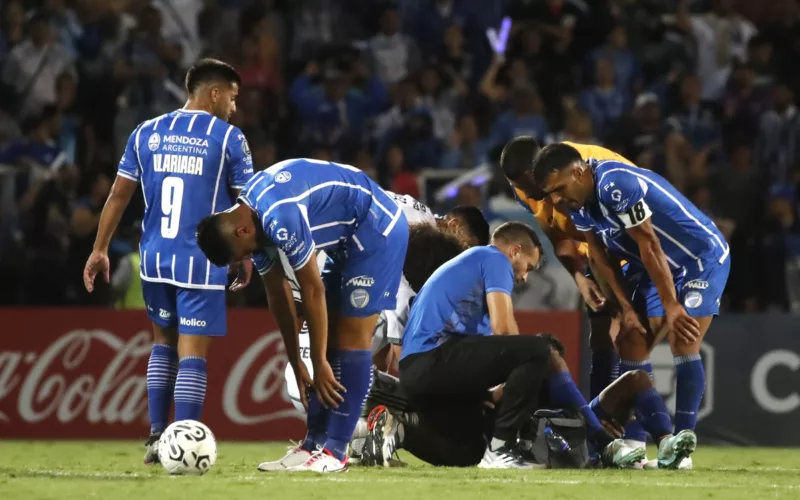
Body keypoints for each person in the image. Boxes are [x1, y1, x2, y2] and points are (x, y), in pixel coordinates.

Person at [82, 59, 253, 465]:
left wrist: (100, 248)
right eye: (231, 97)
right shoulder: (229, 138)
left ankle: (157, 437)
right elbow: (248, 205)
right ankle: (185, 444)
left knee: (162, 346)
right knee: (192, 353)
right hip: (201, 260)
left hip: (154, 259)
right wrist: (246, 254)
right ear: (214, 93)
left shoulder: (147, 132)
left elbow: (118, 195)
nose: (233, 107)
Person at [195, 159, 409, 473]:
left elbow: (312, 290)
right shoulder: (252, 220)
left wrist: (318, 361)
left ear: (241, 231)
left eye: (242, 254)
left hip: (377, 230)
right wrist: (297, 361)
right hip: (346, 241)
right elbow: (278, 297)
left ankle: (335, 452)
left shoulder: (278, 216)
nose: (247, 259)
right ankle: (313, 445)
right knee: (333, 337)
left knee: (351, 338)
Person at [531, 142, 731, 469]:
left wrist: (672, 306)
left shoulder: (616, 185)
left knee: (684, 337)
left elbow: (648, 242)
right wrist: (624, 307)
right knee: (631, 338)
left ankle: (682, 450)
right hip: (649, 267)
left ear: (579, 172)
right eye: (549, 194)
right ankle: (637, 443)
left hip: (698, 259)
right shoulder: (577, 202)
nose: (555, 200)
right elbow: (599, 255)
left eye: (558, 189)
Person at [261, 195, 487, 471]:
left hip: (312, 347)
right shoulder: (416, 242)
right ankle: (362, 434)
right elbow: (401, 340)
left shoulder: (407, 217)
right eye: (465, 249)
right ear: (453, 226)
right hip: (332, 343)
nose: (461, 262)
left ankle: (344, 440)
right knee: (420, 389)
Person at [396, 221, 635, 469]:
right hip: (431, 359)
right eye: (527, 267)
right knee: (538, 350)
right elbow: (505, 332)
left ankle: (396, 433)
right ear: (514, 251)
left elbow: (483, 353)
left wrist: (489, 391)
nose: (524, 277)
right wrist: (524, 366)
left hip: (422, 371)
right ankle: (501, 447)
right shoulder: (493, 258)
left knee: (469, 453)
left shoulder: (472, 284)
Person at [363, 334, 696, 470]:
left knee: (639, 379)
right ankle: (373, 429)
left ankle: (667, 447)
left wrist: (599, 433)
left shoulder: (574, 406)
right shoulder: (513, 392)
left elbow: (636, 382)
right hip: (495, 443)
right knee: (414, 406)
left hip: (585, 440)